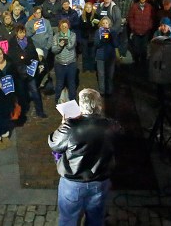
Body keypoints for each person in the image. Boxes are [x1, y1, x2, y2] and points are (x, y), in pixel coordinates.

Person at [48, 89, 120, 226]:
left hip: (73, 184)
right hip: (100, 181)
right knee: (96, 218)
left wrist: (64, 124)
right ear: (99, 105)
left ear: (80, 106)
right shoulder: (112, 126)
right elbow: (119, 142)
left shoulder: (70, 127)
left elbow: (54, 144)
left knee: (68, 219)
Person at [94, 17, 119, 97]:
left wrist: (111, 38)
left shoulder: (113, 32)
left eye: (106, 23)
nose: (105, 25)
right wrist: (103, 40)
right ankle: (102, 91)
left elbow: (116, 44)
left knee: (110, 75)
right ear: (101, 24)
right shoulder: (98, 32)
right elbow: (96, 44)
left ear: (109, 24)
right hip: (100, 56)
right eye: (103, 23)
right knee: (101, 74)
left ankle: (109, 91)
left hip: (110, 56)